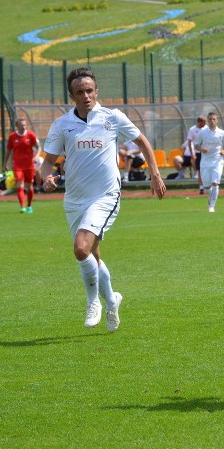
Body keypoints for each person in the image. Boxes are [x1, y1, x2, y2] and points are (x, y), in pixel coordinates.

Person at [39, 67, 166, 332]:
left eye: (89, 90)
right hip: (74, 199)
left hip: (106, 196)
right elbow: (48, 161)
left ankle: (92, 301)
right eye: (79, 92)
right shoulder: (62, 125)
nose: (86, 96)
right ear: (71, 96)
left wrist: (154, 174)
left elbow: (142, 141)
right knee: (93, 256)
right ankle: (112, 299)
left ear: (97, 92)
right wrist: (46, 178)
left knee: (81, 248)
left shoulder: (112, 117)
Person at [193, 111, 224, 212]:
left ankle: (211, 207)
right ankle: (211, 197)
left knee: (215, 183)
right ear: (207, 121)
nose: (212, 121)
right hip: (205, 162)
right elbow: (196, 144)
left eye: (214, 119)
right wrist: (202, 150)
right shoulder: (202, 133)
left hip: (217, 161)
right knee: (206, 186)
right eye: (210, 119)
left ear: (217, 120)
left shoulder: (222, 133)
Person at [4, 118, 39, 213]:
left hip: (29, 165)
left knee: (29, 185)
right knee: (20, 183)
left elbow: (38, 147)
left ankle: (29, 206)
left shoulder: (30, 135)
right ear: (17, 126)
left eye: (25, 125)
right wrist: (5, 163)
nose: (24, 126)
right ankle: (22, 207)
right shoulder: (12, 136)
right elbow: (8, 150)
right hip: (18, 165)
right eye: (22, 125)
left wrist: (37, 156)